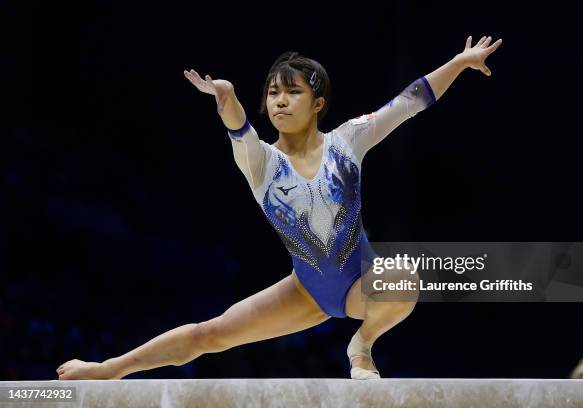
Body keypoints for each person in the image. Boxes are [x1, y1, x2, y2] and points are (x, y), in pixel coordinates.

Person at [57, 35, 502, 380]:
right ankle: (108, 369)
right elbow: (239, 128)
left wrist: (460, 64)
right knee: (208, 335)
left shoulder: (347, 141)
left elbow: (410, 102)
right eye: (272, 93)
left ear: (318, 103)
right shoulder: (261, 163)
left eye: (292, 92)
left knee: (404, 279)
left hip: (361, 283)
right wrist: (226, 97)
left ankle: (361, 345)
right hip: (303, 291)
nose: (280, 101)